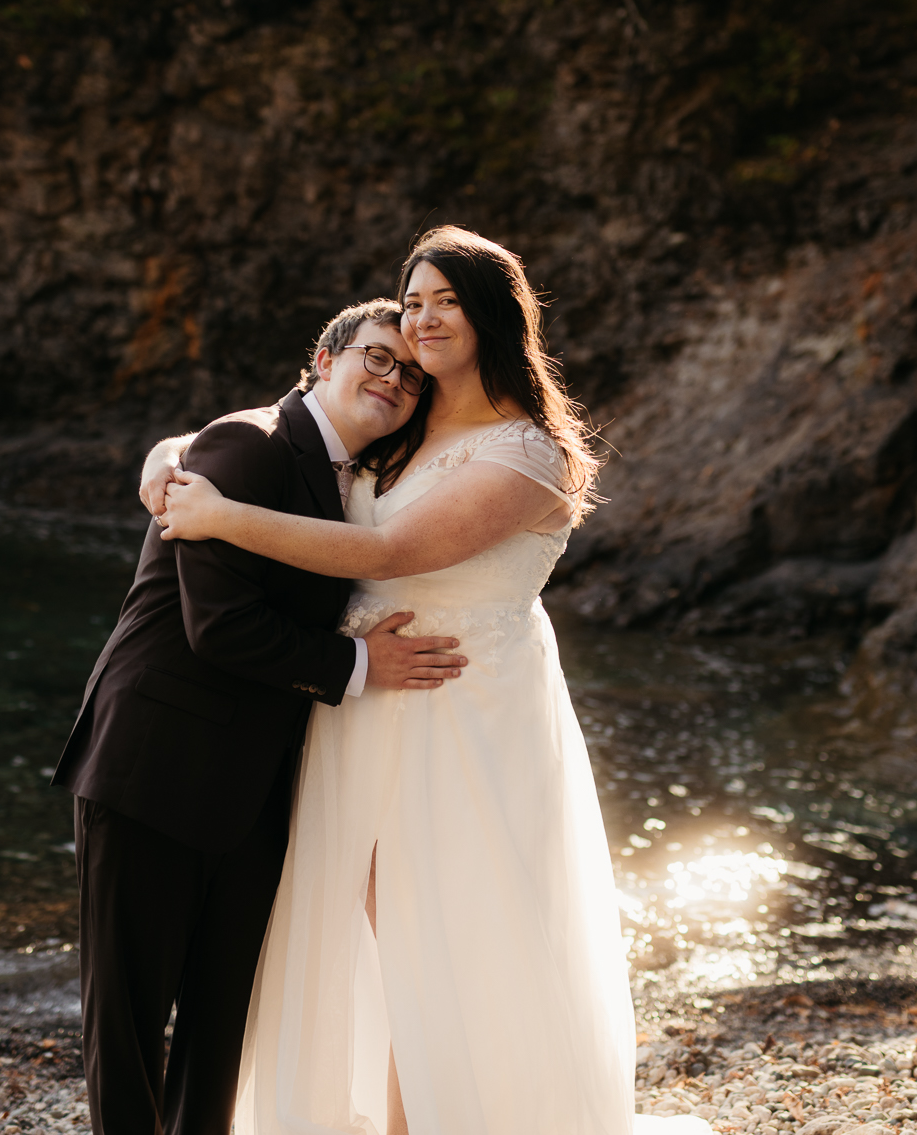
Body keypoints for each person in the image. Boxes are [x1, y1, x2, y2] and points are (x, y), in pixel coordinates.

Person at [149, 228, 711, 1135]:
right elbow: (291, 423)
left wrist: (223, 515)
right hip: (368, 702)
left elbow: (392, 550)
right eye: (412, 302)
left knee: (456, 923)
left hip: (468, 707)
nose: (423, 317)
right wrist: (168, 457)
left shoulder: (530, 453)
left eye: (444, 299)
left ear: (493, 313)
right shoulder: (403, 424)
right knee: (369, 917)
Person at [52, 298, 475, 1135]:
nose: (394, 379)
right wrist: (362, 664)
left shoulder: (360, 475)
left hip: (256, 789)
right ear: (324, 359)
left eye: (413, 375)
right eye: (377, 357)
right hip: (153, 766)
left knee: (224, 1024)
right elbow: (220, 624)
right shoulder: (245, 445)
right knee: (130, 1028)